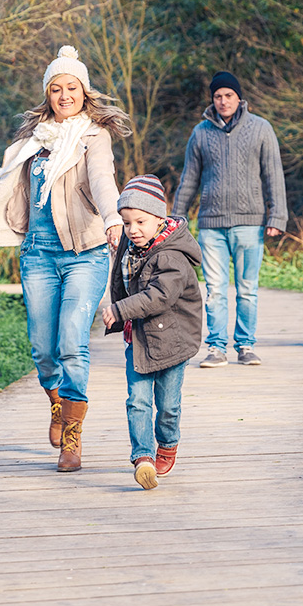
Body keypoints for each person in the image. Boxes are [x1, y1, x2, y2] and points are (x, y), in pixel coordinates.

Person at [0, 45, 128, 472]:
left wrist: (113, 218)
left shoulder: (94, 137)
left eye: (72, 87)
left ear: (84, 92)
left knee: (72, 340)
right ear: (47, 94)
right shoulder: (31, 142)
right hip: (37, 255)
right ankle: (57, 402)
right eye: (56, 89)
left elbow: (103, 181)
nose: (64, 95)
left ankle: (73, 434)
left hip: (85, 253)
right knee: (43, 349)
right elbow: (11, 196)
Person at [170, 70, 287, 368]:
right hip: (211, 224)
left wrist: (277, 216)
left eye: (229, 95)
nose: (223, 101)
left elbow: (274, 175)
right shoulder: (200, 133)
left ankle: (246, 346)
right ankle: (216, 348)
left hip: (250, 223)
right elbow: (189, 180)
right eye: (218, 96)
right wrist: (176, 220)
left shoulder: (261, 128)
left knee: (247, 289)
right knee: (215, 291)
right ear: (212, 100)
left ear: (239, 98)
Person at [101, 175, 203, 490]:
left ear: (160, 218)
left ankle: (167, 444)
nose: (133, 229)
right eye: (127, 223)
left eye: (140, 222)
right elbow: (121, 281)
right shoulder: (130, 246)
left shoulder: (172, 256)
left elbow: (160, 296)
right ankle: (143, 457)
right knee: (138, 400)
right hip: (140, 338)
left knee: (168, 405)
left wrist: (120, 310)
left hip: (173, 340)